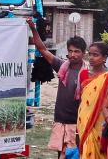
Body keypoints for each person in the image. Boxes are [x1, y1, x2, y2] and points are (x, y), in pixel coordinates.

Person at [27, 18, 87, 159]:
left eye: (77, 51)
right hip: (60, 120)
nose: (73, 55)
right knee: (61, 154)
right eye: (70, 51)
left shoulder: (88, 73)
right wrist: (33, 28)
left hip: (77, 124)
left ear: (84, 53)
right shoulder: (62, 66)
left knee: (74, 155)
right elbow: (42, 49)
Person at [77, 42, 108, 159]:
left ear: (105, 57)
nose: (91, 58)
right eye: (89, 54)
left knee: (101, 151)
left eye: (95, 55)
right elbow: (82, 99)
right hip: (83, 118)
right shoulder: (83, 74)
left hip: (102, 121)